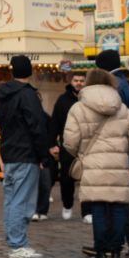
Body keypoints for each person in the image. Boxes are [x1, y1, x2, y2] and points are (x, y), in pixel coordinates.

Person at [63, 68, 129, 258]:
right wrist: (124, 148)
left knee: (98, 207)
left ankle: (101, 252)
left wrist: (81, 153)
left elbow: (69, 140)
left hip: (92, 164)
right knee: (117, 207)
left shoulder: (78, 108)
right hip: (117, 165)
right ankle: (116, 253)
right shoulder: (121, 107)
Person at [0, 54, 50, 258]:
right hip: (26, 153)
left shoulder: (3, 95)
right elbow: (37, 126)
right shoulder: (28, 95)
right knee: (22, 201)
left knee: (11, 200)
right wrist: (43, 155)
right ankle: (18, 244)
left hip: (9, 152)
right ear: (31, 71)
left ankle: (15, 241)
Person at [94, 49, 129, 258]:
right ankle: (116, 242)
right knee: (116, 197)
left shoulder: (116, 86)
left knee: (118, 198)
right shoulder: (123, 83)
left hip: (115, 149)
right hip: (120, 147)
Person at [49, 72, 86, 220]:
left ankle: (87, 211)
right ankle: (67, 205)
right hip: (67, 145)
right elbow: (54, 123)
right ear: (71, 81)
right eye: (76, 80)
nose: (78, 83)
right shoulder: (62, 100)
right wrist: (52, 143)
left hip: (87, 145)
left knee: (87, 179)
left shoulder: (90, 100)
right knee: (66, 178)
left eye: (82, 80)